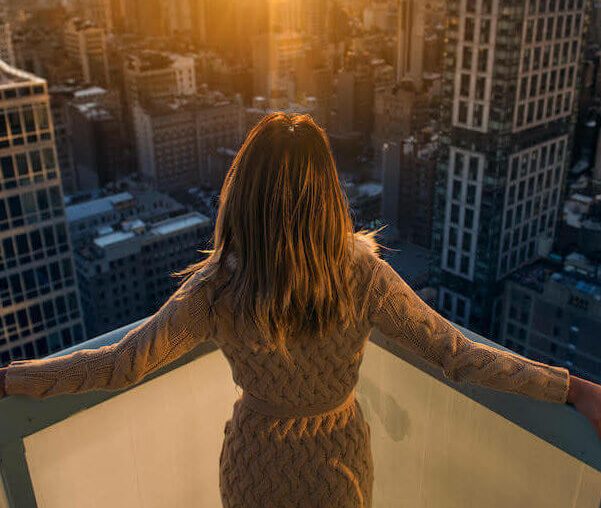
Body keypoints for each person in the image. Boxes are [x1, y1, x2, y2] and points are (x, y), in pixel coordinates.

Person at [0, 112, 599, 508]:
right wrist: (571, 390)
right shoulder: (364, 278)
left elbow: (121, 364)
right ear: (327, 191)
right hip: (335, 464)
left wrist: (13, 379)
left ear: (244, 191)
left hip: (253, 466)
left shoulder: (217, 287)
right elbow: (457, 354)